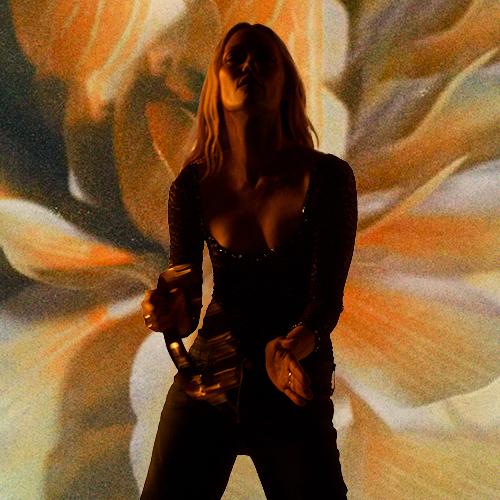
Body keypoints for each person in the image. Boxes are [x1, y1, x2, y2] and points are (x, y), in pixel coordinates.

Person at [140, 22, 357, 500]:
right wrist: (168, 310)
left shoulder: (328, 178)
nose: (248, 67)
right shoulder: (191, 186)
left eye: (264, 59)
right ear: (216, 82)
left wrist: (290, 349)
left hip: (292, 383)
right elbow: (187, 302)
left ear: (286, 84)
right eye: (235, 58)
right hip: (208, 382)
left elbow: (326, 301)